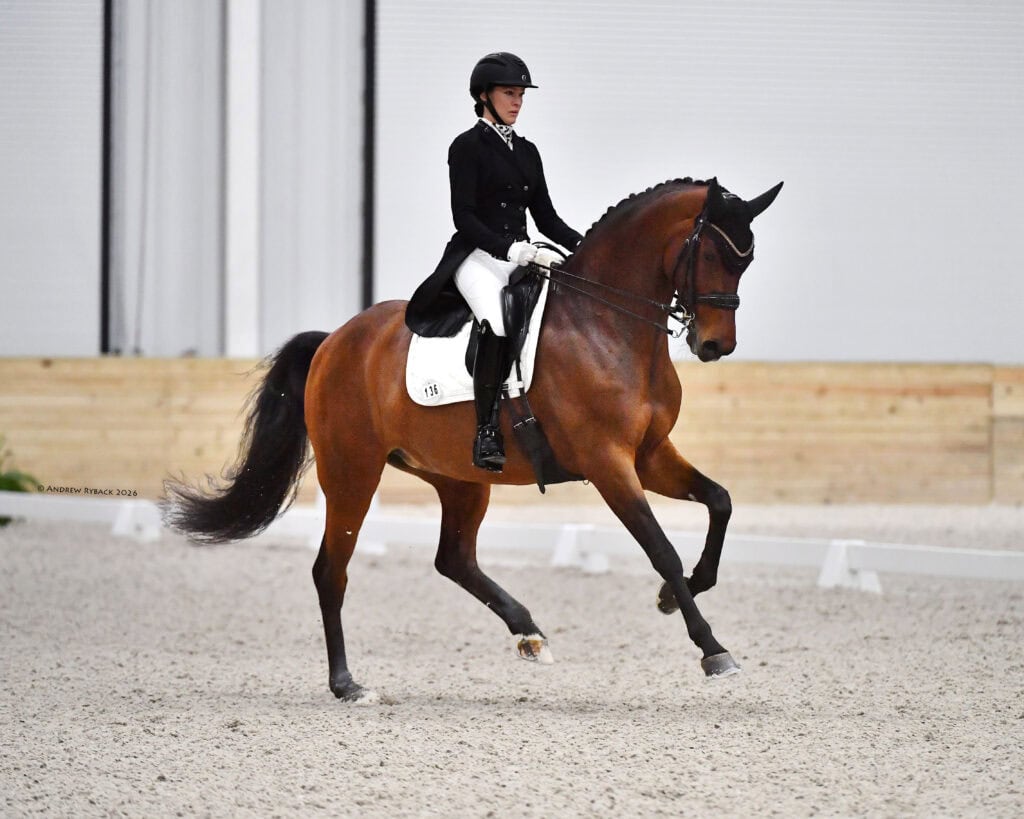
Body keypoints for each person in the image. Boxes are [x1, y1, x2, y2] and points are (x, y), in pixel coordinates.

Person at [405, 52, 583, 472]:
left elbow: (548, 218)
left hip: (523, 255)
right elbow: (464, 218)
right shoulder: (466, 147)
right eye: (509, 93)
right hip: (477, 257)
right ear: (483, 96)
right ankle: (486, 430)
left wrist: (588, 248)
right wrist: (511, 249)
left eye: (521, 94)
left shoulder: (528, 151)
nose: (517, 102)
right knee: (499, 323)